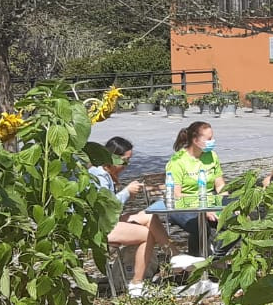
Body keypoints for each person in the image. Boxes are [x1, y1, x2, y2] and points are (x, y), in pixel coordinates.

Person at [90, 138, 173, 296]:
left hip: (107, 221)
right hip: (98, 227)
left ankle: (175, 256)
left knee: (150, 217)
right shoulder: (99, 175)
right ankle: (136, 284)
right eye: (125, 161)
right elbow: (106, 207)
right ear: (113, 157)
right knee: (146, 235)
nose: (127, 166)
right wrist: (127, 192)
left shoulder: (108, 174)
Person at [166, 120, 225, 255]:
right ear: (195, 140)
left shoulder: (212, 156)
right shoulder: (177, 161)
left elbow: (220, 184)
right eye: (209, 139)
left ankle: (216, 257)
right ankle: (197, 263)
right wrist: (202, 209)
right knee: (200, 226)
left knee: (237, 222)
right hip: (183, 206)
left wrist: (227, 203)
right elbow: (176, 194)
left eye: (213, 138)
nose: (213, 141)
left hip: (210, 204)